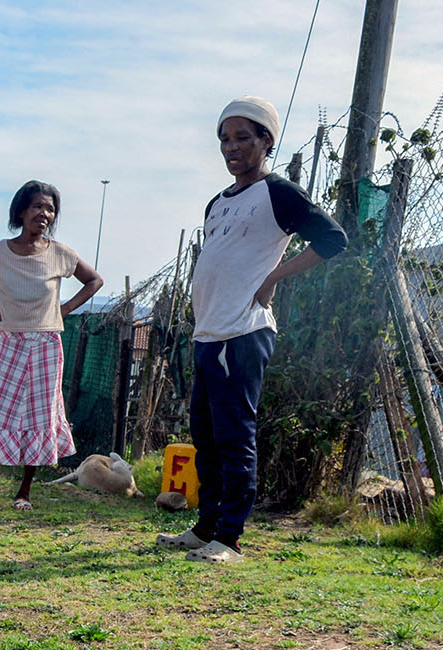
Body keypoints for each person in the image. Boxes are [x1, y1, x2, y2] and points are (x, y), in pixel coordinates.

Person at [157, 96, 347, 563]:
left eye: (243, 137)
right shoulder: (217, 204)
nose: (232, 147)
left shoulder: (278, 192)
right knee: (205, 440)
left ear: (266, 141)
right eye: (225, 138)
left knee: (234, 438)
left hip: (243, 333)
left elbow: (332, 238)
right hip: (208, 334)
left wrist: (273, 277)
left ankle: (230, 539)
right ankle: (205, 529)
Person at [0, 181, 103, 512]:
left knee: (39, 416)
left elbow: (95, 280)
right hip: (9, 341)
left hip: (46, 344)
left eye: (50, 209)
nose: (44, 214)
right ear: (21, 211)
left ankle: (24, 493)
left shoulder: (60, 253)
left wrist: (65, 309)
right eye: (37, 206)